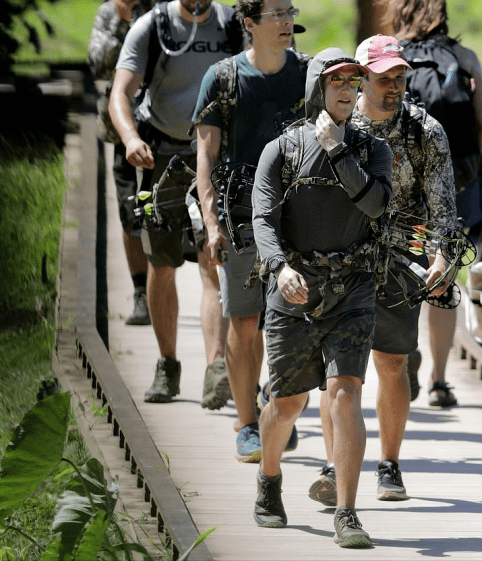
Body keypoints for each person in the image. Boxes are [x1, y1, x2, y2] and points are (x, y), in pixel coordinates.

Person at [251, 47, 392, 547]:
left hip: (352, 289)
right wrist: (278, 266)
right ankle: (269, 481)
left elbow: (375, 205)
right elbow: (263, 220)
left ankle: (348, 512)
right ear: (316, 88)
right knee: (288, 403)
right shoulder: (281, 151)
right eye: (336, 82)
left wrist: (336, 150)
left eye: (353, 83)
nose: (347, 90)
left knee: (345, 393)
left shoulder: (373, 149)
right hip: (294, 289)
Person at [308, 35, 457, 507]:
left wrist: (442, 256)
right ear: (361, 78)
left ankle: (389, 462)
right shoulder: (334, 123)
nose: (393, 87)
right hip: (340, 260)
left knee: (393, 364)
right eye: (383, 78)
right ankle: (334, 465)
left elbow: (443, 205)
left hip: (398, 261)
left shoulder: (423, 131)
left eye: (400, 78)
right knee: (338, 372)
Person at [109, 0, 242, 406]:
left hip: (216, 154)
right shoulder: (153, 27)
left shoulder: (231, 24)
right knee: (162, 263)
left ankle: (216, 369)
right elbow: (121, 93)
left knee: (211, 259)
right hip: (162, 153)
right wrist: (131, 138)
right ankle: (168, 365)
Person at [192, 0, 308, 463]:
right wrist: (211, 224)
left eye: (290, 11)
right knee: (243, 321)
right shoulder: (223, 80)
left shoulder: (307, 74)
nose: (287, 22)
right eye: (276, 14)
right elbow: (205, 156)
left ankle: (277, 409)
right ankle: (245, 425)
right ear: (249, 24)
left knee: (292, 317)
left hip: (297, 216)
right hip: (240, 216)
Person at [391, 0, 482, 407]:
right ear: (442, 15)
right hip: (458, 182)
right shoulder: (464, 58)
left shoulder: (391, 55)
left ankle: (404, 353)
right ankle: (439, 381)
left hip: (402, 184)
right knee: (444, 280)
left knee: (400, 271)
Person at [88, 0, 153, 326]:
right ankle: (140, 293)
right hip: (120, 127)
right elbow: (98, 66)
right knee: (129, 211)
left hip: (162, 123)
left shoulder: (167, 9)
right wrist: (121, 21)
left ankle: (159, 288)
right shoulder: (108, 13)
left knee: (161, 210)